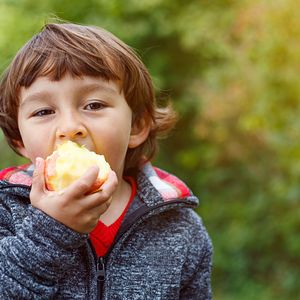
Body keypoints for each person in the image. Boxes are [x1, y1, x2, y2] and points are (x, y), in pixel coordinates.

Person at [0, 22, 212, 299]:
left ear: (136, 126)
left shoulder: (180, 228)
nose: (69, 127)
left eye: (94, 105)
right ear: (19, 140)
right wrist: (50, 231)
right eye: (43, 111)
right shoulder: (6, 211)